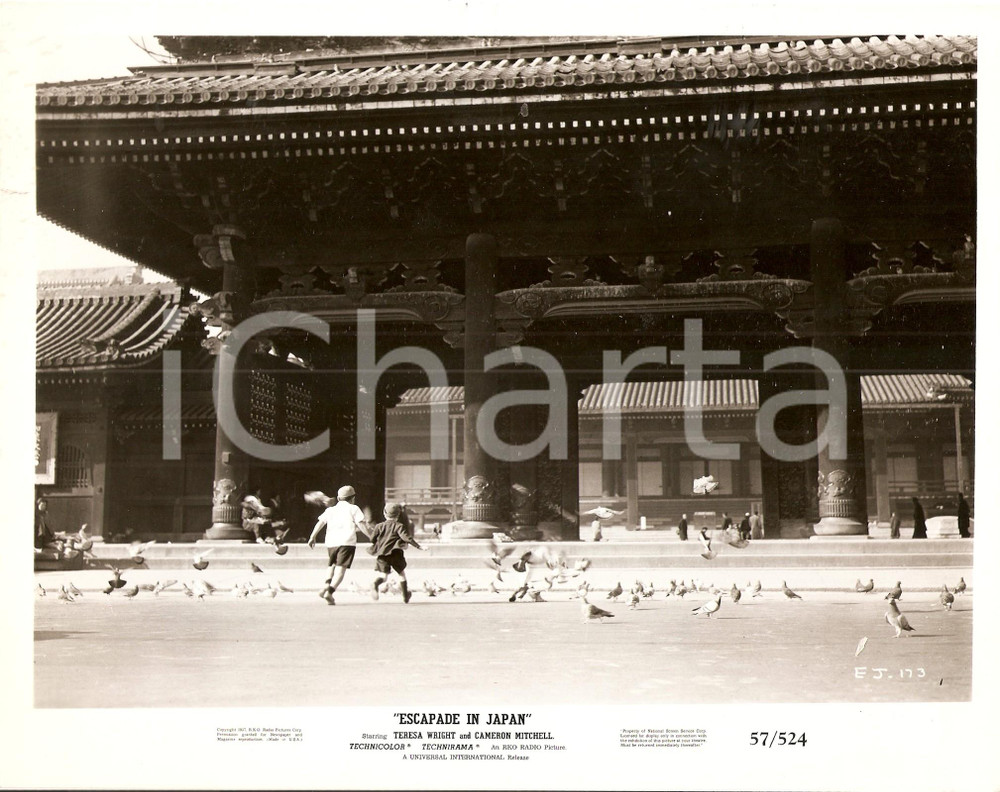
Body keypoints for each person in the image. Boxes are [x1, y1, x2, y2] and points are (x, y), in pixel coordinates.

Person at [307, 485, 371, 605]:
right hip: (347, 543)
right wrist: (372, 537)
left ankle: (326, 585)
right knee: (341, 569)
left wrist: (312, 536)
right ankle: (330, 592)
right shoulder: (354, 508)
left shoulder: (330, 510)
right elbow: (362, 525)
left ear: (338, 498)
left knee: (331, 565)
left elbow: (320, 523)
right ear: (353, 498)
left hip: (331, 542)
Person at [367, 502, 424, 603]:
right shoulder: (399, 526)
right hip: (396, 554)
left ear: (384, 514)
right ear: (398, 515)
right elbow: (407, 538)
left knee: (383, 576)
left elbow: (372, 539)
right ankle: (405, 595)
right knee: (401, 574)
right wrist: (418, 546)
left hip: (383, 554)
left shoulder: (379, 526)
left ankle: (375, 584)